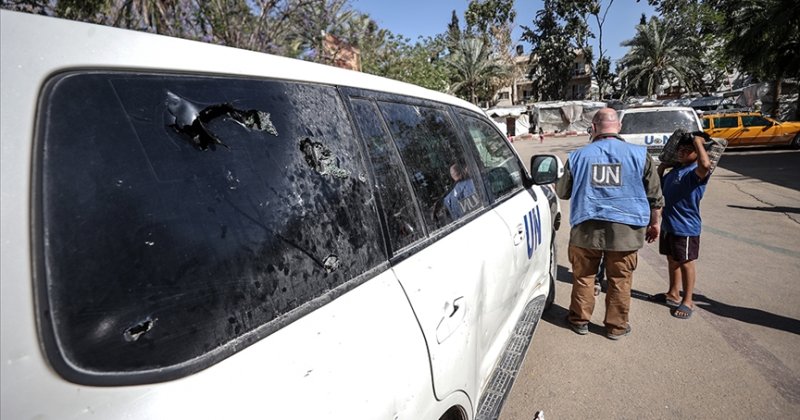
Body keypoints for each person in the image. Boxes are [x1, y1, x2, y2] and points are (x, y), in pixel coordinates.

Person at [555, 108, 664, 340]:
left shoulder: (578, 157)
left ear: (593, 128)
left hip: (586, 227)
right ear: (619, 127)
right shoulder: (639, 154)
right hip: (626, 230)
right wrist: (655, 223)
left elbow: (562, 192)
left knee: (584, 276)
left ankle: (579, 320)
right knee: (620, 280)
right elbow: (654, 195)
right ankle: (616, 327)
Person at [651, 131, 712, 320]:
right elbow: (658, 188)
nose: (682, 153)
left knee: (686, 262)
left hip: (686, 226)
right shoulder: (675, 171)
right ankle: (673, 293)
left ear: (696, 152)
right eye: (680, 150)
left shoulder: (696, 173)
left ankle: (687, 300)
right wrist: (662, 166)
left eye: (687, 150)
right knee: (672, 259)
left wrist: (698, 142)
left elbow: (705, 164)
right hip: (669, 224)